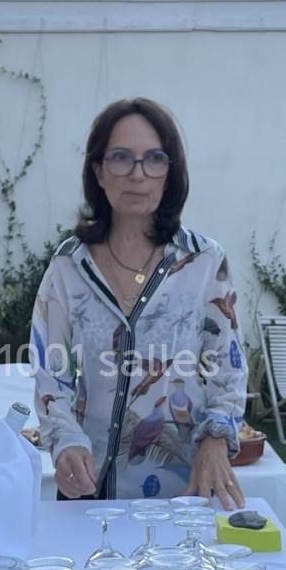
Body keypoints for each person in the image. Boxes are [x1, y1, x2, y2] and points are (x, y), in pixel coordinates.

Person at [30, 98, 247, 509]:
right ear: (98, 170)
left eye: (154, 159)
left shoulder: (204, 262)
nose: (137, 174)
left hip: (182, 491)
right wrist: (65, 441)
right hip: (89, 491)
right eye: (121, 158)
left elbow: (229, 366)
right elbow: (49, 371)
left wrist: (217, 436)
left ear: (170, 172)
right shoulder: (68, 266)